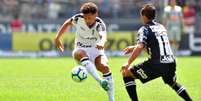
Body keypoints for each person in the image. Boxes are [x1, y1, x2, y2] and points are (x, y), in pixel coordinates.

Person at [121, 4, 192, 101]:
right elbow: (155, 43)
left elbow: (141, 46)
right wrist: (133, 47)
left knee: (127, 73)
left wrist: (128, 63)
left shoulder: (144, 29)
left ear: (143, 16)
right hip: (171, 62)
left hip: (156, 64)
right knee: (172, 83)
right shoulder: (161, 27)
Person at [54, 2, 115, 101]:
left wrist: (102, 43)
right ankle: (100, 81)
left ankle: (111, 99)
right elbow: (68, 23)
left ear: (96, 15)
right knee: (79, 53)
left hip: (96, 50)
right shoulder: (78, 18)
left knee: (104, 67)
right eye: (85, 18)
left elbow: (103, 35)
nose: (87, 20)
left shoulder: (100, 24)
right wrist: (57, 37)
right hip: (80, 49)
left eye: (90, 18)